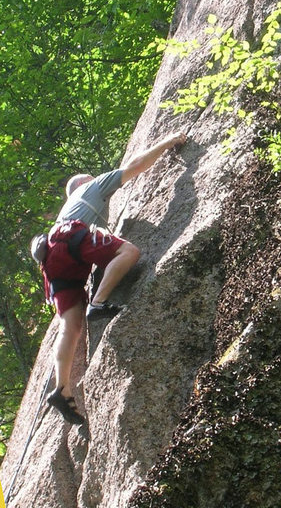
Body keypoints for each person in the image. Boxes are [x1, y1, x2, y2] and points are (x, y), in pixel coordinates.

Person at [37, 131, 187, 425]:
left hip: (55, 261)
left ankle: (61, 388)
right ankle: (100, 303)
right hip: (72, 239)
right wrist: (168, 141)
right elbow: (134, 166)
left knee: (70, 327)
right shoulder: (89, 189)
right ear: (84, 182)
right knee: (128, 253)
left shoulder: (69, 210)